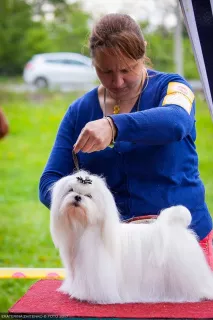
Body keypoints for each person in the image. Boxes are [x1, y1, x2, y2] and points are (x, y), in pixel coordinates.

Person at [39, 13, 213, 269]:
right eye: (105, 71)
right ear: (93, 63)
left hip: (185, 243)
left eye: (127, 69)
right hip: (114, 253)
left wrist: (113, 125)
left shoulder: (174, 88)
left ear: (142, 57)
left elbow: (176, 121)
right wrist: (80, 190)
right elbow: (49, 181)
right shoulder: (79, 112)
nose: (117, 81)